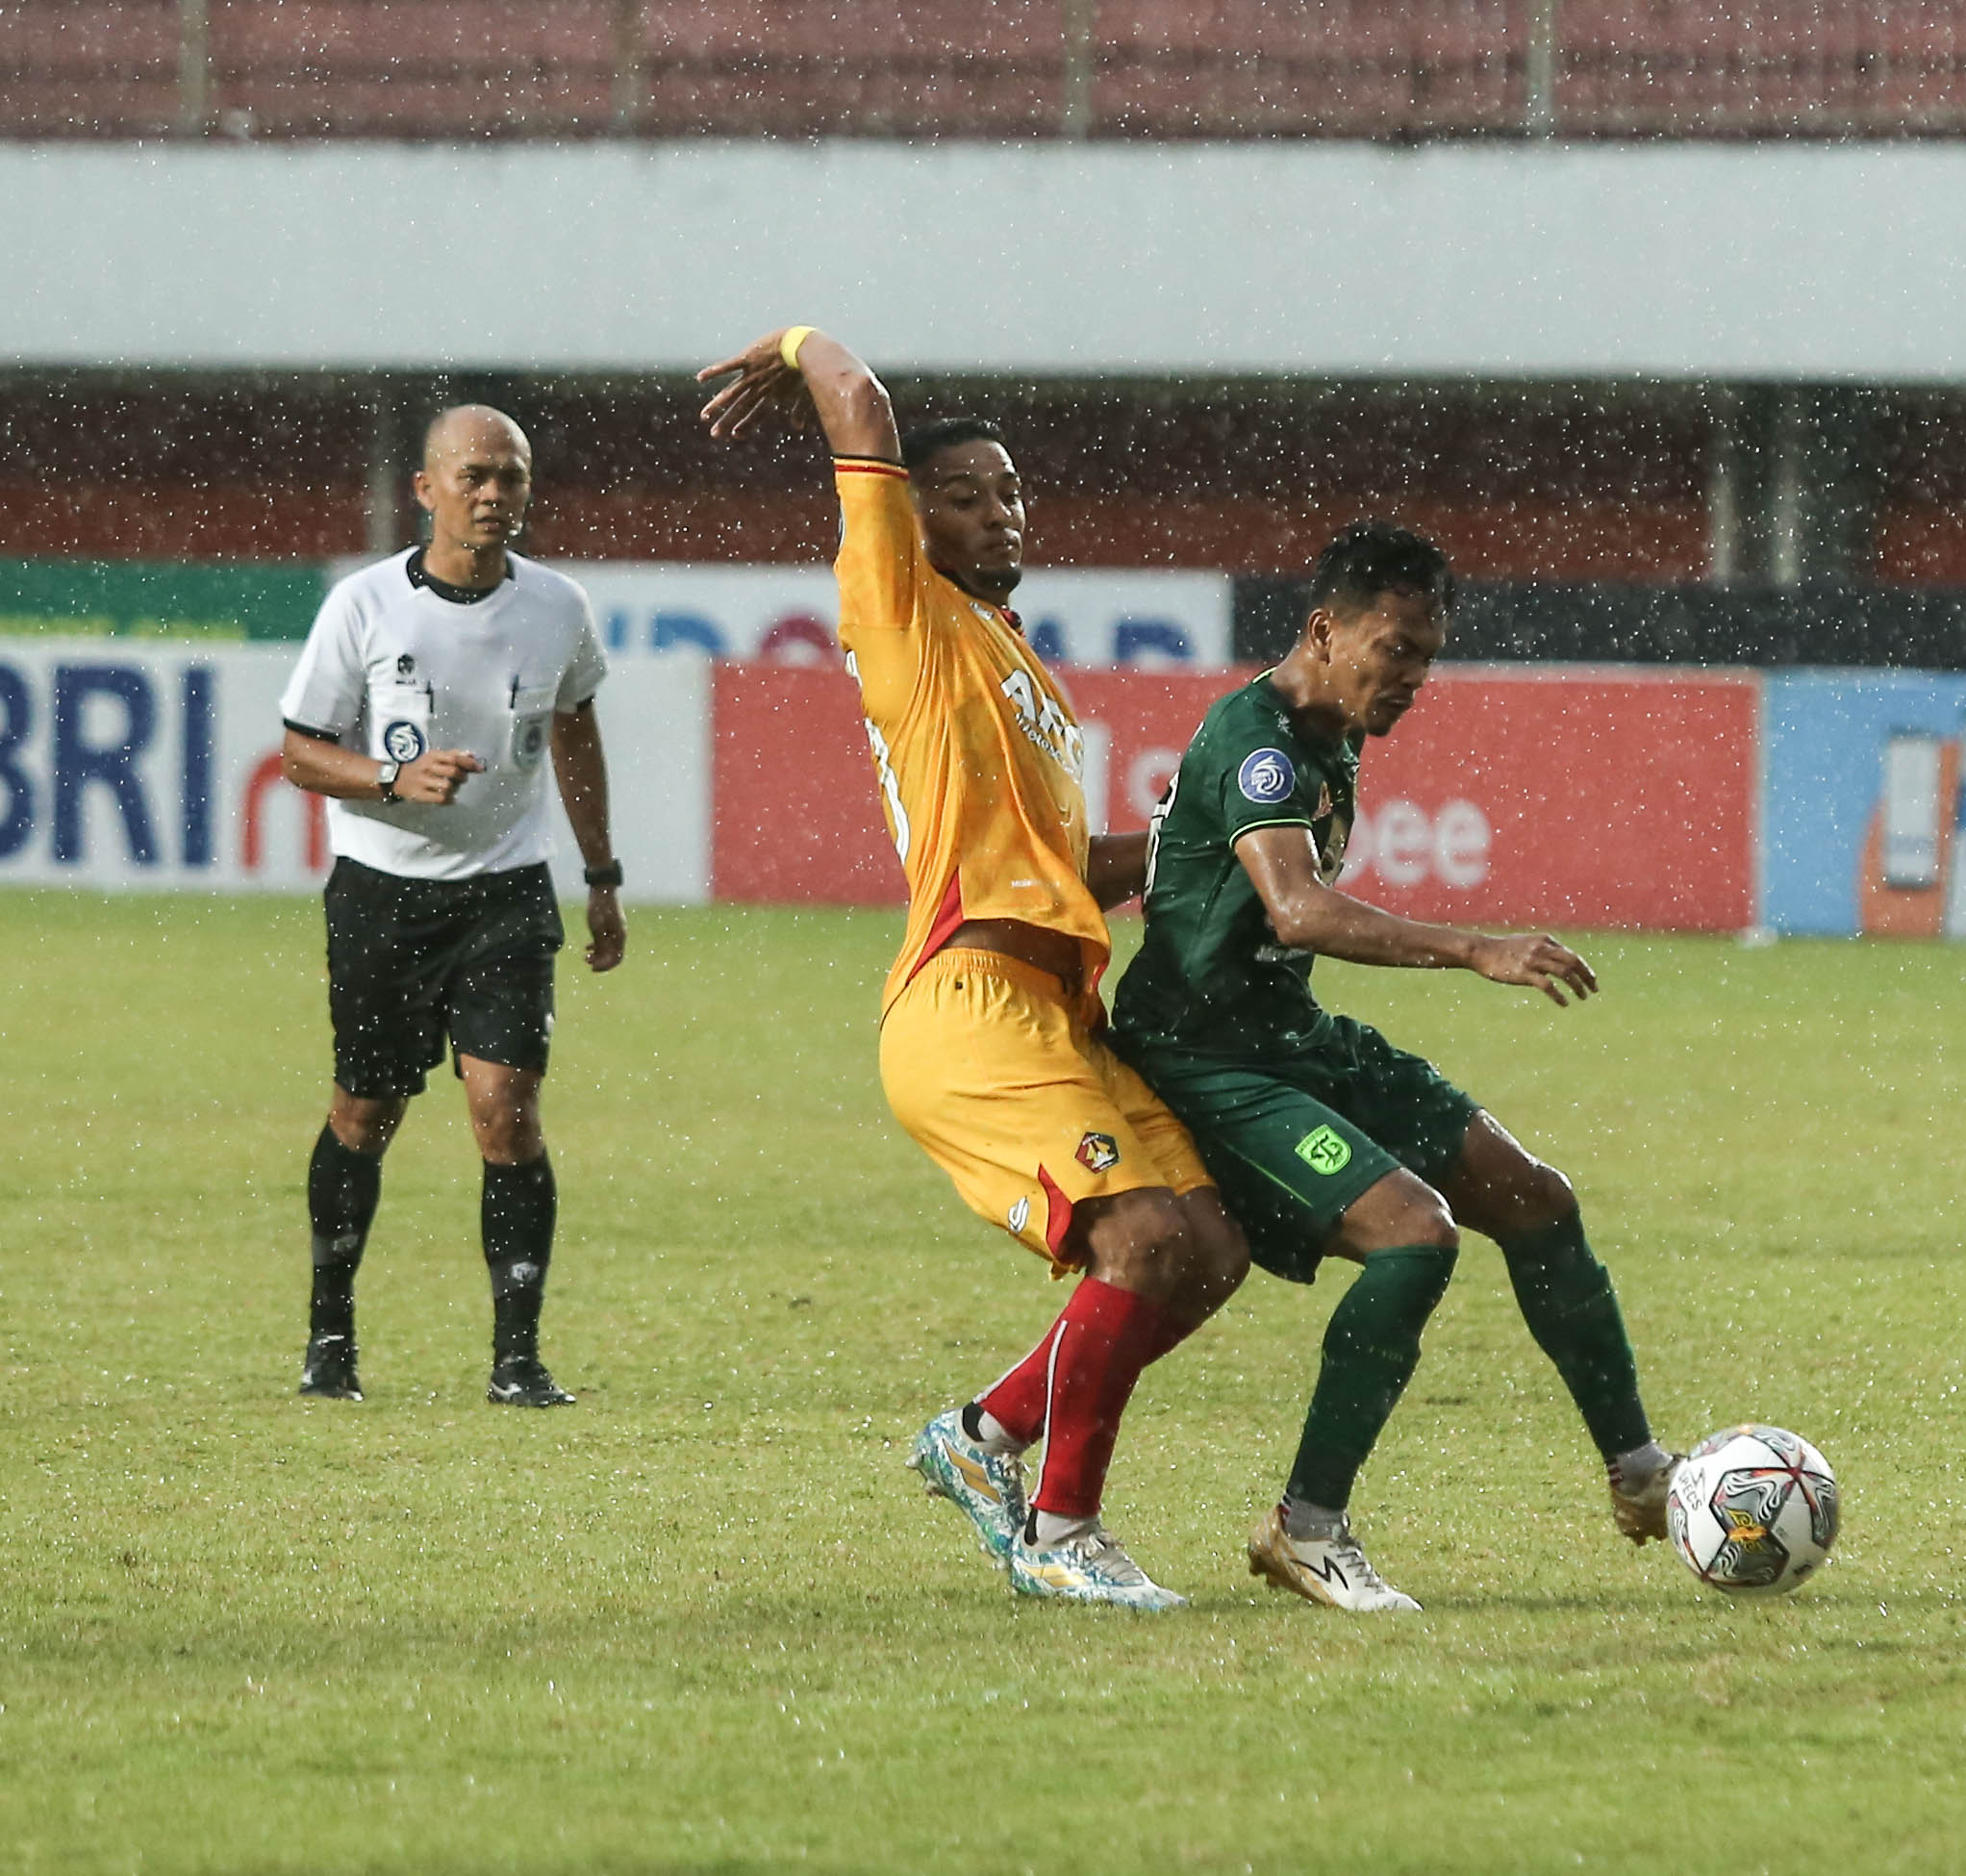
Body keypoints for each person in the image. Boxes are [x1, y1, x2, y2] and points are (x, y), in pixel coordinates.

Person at [697, 326, 1246, 1610]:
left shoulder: (1019, 670)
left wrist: (1215, 842)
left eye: (1009, 491)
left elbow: (1074, 868)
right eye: (961, 494)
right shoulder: (902, 612)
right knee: (1139, 1238)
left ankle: (983, 1435)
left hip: (1058, 1012)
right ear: (911, 521)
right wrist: (802, 349)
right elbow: (858, 400)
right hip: (968, 1005)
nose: (998, 511)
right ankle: (1060, 1531)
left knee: (1208, 1247)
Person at [1110, 520, 1675, 1613]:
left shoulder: (1329, 731)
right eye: (1395, 649)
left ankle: (1640, 1472)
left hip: (1291, 1037)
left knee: (1535, 1199)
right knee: (1415, 1237)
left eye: (1427, 655)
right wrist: (1475, 949)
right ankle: (1307, 1527)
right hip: (1206, 1061)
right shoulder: (1259, 742)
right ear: (1324, 630)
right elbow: (1296, 907)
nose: (1413, 677)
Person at [278, 404, 624, 1408]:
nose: (493, 493)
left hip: (507, 892)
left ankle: (517, 1361)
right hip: (381, 893)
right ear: (425, 489)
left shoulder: (558, 606)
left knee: (505, 1112)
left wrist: (601, 874)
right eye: (473, 475)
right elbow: (300, 751)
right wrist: (393, 779)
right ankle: (330, 1338)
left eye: (510, 475)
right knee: (365, 1111)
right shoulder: (364, 605)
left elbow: (575, 730)